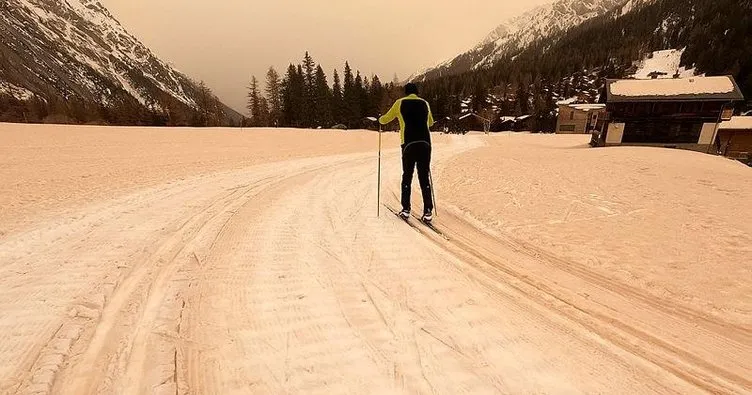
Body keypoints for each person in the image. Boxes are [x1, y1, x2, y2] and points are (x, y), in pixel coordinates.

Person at [379, 83, 435, 222]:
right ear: (417, 92)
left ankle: (406, 209)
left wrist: (379, 119)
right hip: (425, 143)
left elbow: (386, 119)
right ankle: (428, 210)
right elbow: (431, 123)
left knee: (407, 176)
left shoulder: (399, 103)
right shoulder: (425, 103)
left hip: (408, 143)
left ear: (406, 92)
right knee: (424, 176)